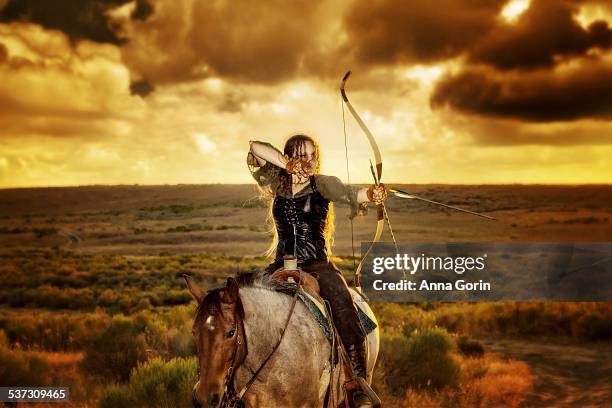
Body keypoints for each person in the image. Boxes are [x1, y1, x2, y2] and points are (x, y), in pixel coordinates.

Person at [247, 134, 386, 408]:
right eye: (302, 154)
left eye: (312, 155)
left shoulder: (322, 184)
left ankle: (357, 384)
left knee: (344, 307)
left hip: (317, 266)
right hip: (281, 264)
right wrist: (285, 166)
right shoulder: (277, 182)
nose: (308, 160)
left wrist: (371, 194)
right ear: (289, 156)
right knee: (245, 303)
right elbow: (255, 147)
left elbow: (350, 194)